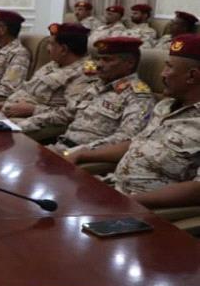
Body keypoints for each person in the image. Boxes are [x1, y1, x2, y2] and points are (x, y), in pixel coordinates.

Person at [64, 34, 200, 208]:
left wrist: (127, 202)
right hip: (114, 187)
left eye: (169, 67)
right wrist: (83, 153)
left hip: (147, 208)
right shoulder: (165, 106)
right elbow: (135, 143)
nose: (162, 73)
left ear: (192, 76)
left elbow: (197, 189)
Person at [0, 23, 96, 134]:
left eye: (51, 44)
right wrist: (4, 103)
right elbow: (27, 90)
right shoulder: (54, 64)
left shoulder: (83, 74)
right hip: (10, 115)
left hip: (34, 123)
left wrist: (33, 110)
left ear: (63, 49)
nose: (47, 49)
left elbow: (72, 113)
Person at [52, 37, 154, 153]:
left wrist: (79, 152)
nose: (98, 65)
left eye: (107, 60)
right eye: (98, 59)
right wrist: (33, 121)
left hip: (87, 156)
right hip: (60, 146)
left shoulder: (138, 96)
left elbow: (126, 138)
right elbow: (68, 113)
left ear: (129, 63)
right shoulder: (98, 85)